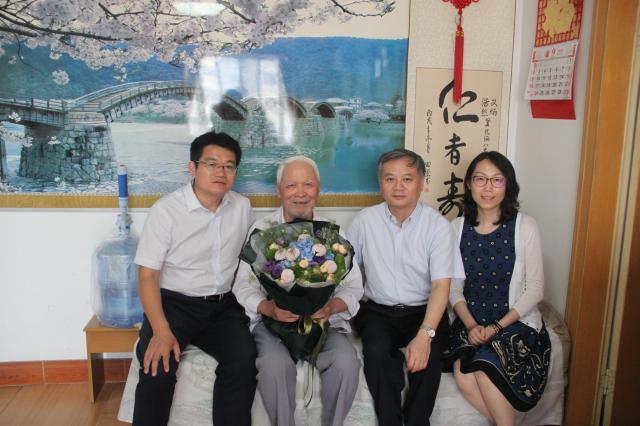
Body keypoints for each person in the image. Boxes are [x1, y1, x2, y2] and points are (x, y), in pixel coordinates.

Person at [132, 131, 257, 426]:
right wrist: (161, 330)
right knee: (158, 368)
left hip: (223, 306)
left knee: (243, 363)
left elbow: (251, 261)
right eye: (212, 164)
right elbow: (147, 276)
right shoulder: (167, 210)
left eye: (229, 166)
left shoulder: (242, 207)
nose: (221, 172)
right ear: (193, 167)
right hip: (175, 305)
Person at [233, 155, 364, 426]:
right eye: (291, 185)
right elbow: (243, 284)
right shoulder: (262, 230)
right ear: (278, 190)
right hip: (274, 325)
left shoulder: (333, 233)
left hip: (322, 324)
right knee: (274, 367)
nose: (300, 193)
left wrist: (330, 307)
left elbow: (353, 286)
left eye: (308, 184)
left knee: (347, 362)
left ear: (319, 189)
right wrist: (269, 308)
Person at [347, 148, 465, 426]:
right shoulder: (364, 221)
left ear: (422, 183)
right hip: (378, 311)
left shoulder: (438, 226)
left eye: (407, 179)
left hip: (424, 310)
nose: (398, 187)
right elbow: (347, 273)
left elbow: (441, 287)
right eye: (390, 179)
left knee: (430, 361)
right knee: (376, 354)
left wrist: (425, 335)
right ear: (381, 184)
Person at [446, 151, 551, 426]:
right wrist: (471, 325)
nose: (488, 187)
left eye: (497, 180)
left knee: (483, 369)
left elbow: (535, 289)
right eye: (480, 179)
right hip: (472, 323)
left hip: (513, 323)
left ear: (508, 185)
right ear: (469, 184)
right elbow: (453, 289)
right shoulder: (456, 228)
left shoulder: (525, 226)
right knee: (463, 375)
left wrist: (496, 327)